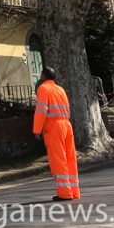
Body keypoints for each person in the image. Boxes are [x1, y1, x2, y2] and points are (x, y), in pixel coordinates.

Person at [33, 66, 80, 200]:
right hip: (66, 124)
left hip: (54, 127)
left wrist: (37, 130)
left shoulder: (43, 89)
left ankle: (64, 193)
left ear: (43, 76)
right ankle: (74, 191)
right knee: (70, 159)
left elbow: (41, 111)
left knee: (58, 160)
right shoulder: (60, 89)